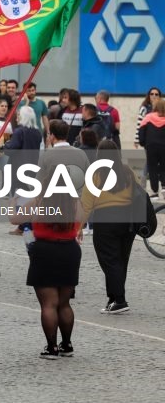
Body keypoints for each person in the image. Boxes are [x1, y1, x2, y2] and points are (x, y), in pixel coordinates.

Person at [9, 170, 82, 359]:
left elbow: (14, 219)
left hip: (45, 251)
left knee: (49, 304)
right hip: (69, 251)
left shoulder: (40, 202)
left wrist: (12, 203)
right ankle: (66, 344)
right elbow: (82, 220)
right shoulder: (74, 203)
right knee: (64, 303)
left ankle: (51, 347)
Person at [80, 141, 135, 314]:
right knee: (120, 260)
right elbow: (138, 194)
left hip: (106, 220)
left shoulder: (96, 174)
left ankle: (119, 300)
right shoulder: (127, 172)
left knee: (109, 261)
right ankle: (113, 298)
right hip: (128, 220)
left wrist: (79, 225)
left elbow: (87, 203)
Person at [138, 99, 165, 197]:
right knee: (164, 166)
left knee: (152, 167)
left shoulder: (148, 117)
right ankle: (164, 187)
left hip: (151, 146)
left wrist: (143, 143)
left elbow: (141, 131)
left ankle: (154, 192)